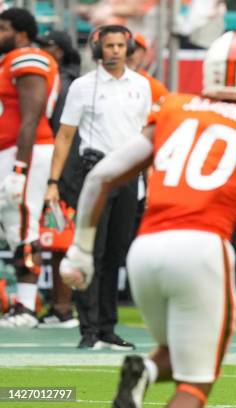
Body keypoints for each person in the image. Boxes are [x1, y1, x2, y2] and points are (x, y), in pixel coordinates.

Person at [60, 30, 236, 408]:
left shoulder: (173, 107)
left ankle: (146, 371)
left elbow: (100, 177)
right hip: (202, 249)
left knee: (177, 351)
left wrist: (81, 251)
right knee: (195, 383)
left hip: (146, 250)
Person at [44, 25, 151, 349]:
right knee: (92, 252)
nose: (116, 51)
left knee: (116, 253)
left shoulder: (141, 85)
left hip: (130, 176)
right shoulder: (82, 86)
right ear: (97, 48)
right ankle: (88, 329)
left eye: (120, 45)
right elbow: (64, 136)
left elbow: (146, 134)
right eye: (109, 45)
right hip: (96, 175)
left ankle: (107, 327)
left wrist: (149, 179)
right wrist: (52, 181)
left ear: (128, 47)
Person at [0, 8, 59, 328]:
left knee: (22, 226)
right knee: (14, 227)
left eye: (3, 28)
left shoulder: (28, 58)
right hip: (12, 151)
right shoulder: (10, 60)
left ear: (21, 32)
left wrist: (20, 168)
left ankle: (25, 307)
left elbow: (31, 116)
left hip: (27, 152)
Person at [35, 29, 81, 328]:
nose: (42, 51)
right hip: (58, 170)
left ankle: (64, 308)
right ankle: (57, 307)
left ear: (61, 51)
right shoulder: (58, 79)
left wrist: (57, 178)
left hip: (61, 173)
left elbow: (63, 134)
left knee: (62, 239)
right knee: (52, 240)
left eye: (48, 47)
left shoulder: (65, 84)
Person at [127, 32, 168, 103]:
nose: (131, 54)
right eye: (128, 49)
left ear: (144, 53)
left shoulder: (154, 87)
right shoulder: (110, 81)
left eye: (136, 49)